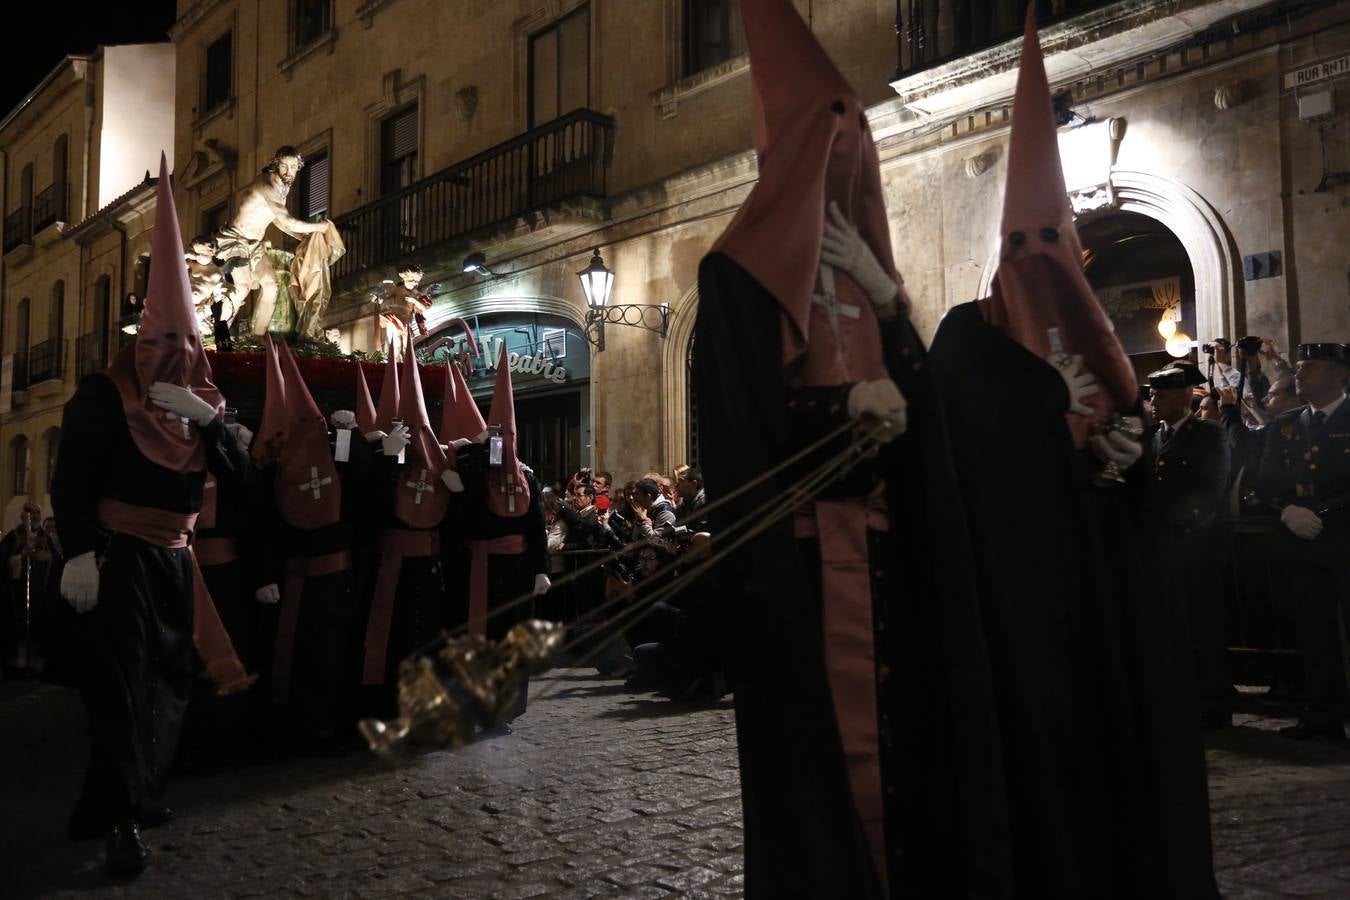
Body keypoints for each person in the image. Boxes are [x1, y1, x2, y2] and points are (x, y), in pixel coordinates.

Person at [694, 1, 1009, 894]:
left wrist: (885, 301)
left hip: (886, 556)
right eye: (829, 137)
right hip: (798, 573)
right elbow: (740, 438)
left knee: (910, 750)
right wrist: (842, 417)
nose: (850, 155)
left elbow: (925, 417)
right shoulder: (737, 279)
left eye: (858, 136)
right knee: (819, 774)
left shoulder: (871, 275)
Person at [927, 10, 1218, 895]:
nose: (1040, 260)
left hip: (1099, 596)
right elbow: (959, 459)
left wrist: (1126, 462)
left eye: (1056, 246)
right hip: (1010, 597)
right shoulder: (964, 341)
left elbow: (1127, 491)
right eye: (1024, 245)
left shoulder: (1100, 348)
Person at [53, 158, 253, 876]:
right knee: (121, 691)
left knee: (170, 684)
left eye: (185, 344)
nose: (173, 354)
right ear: (140, 341)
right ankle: (122, 822)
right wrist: (78, 551)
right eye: (159, 342)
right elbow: (69, 476)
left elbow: (245, 475)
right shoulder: (103, 397)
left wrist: (210, 424)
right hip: (119, 560)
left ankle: (122, 797)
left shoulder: (210, 409)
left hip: (175, 559)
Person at [1256, 342, 1350, 741]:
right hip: (1301, 541)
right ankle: (1322, 713)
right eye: (1298, 366)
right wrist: (1286, 509)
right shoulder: (1285, 424)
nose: (1299, 373)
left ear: (1340, 374)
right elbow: (1265, 479)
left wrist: (1323, 514)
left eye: (1310, 366)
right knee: (1314, 630)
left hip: (1345, 538)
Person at [454, 346, 551, 725]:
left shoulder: (527, 477)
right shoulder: (475, 474)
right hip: (481, 567)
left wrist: (541, 569)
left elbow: (537, 525)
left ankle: (508, 706)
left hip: (518, 571)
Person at [1145, 363, 1233, 728]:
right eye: (1152, 394)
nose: (1154, 401)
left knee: (1206, 628)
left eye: (1162, 395)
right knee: (1171, 630)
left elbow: (1211, 487)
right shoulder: (1150, 438)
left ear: (1184, 397)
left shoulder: (1208, 435)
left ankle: (1215, 706)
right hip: (1161, 551)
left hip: (1197, 547)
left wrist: (1180, 523)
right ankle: (1182, 700)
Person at [214, 146, 334, 335]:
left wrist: (301, 236)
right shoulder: (267, 184)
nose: (288, 171)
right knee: (243, 286)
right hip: (235, 240)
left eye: (293, 167)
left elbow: (278, 220)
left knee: (271, 284)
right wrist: (319, 227)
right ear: (275, 165)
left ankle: (258, 336)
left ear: (298, 167)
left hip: (253, 244)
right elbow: (287, 220)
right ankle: (220, 334)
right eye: (284, 166)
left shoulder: (282, 188)